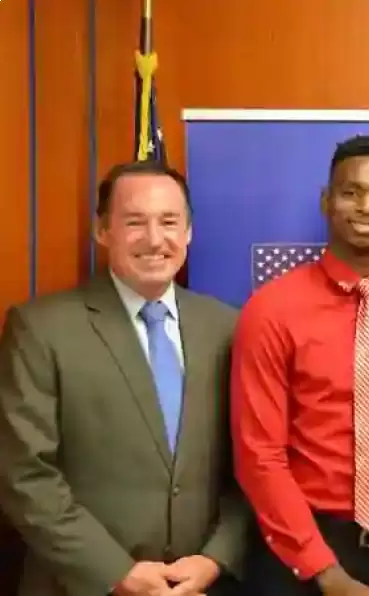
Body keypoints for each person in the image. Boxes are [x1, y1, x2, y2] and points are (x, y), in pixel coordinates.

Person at [0, 160, 249, 596]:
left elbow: (253, 463)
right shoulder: (40, 329)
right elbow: (24, 474)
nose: (154, 239)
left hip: (200, 586)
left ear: (188, 231)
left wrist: (215, 558)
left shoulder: (227, 328)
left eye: (168, 222)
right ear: (102, 230)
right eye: (135, 222)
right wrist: (115, 573)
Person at [231, 135, 369, 595]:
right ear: (326, 201)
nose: (367, 208)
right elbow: (260, 455)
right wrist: (325, 573)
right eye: (352, 192)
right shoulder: (271, 310)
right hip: (302, 550)